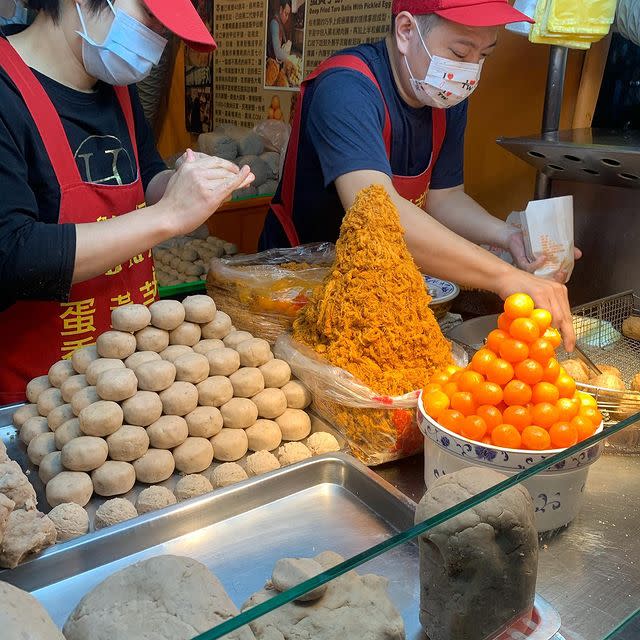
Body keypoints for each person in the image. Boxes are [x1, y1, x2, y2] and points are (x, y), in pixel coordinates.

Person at [260, 0, 579, 350]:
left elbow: (446, 198)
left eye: (484, 55)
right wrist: (505, 277)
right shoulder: (345, 88)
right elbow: (377, 215)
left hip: (374, 291)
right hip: (293, 293)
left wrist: (508, 237)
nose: (471, 71)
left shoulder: (444, 95)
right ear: (406, 31)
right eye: (460, 52)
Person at [0, 0, 255, 403]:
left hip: (132, 381)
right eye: (150, 21)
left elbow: (147, 172)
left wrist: (188, 185)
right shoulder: (6, 91)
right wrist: (169, 216)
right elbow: (13, 253)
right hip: (35, 397)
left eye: (164, 34)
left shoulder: (115, 85)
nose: (156, 46)